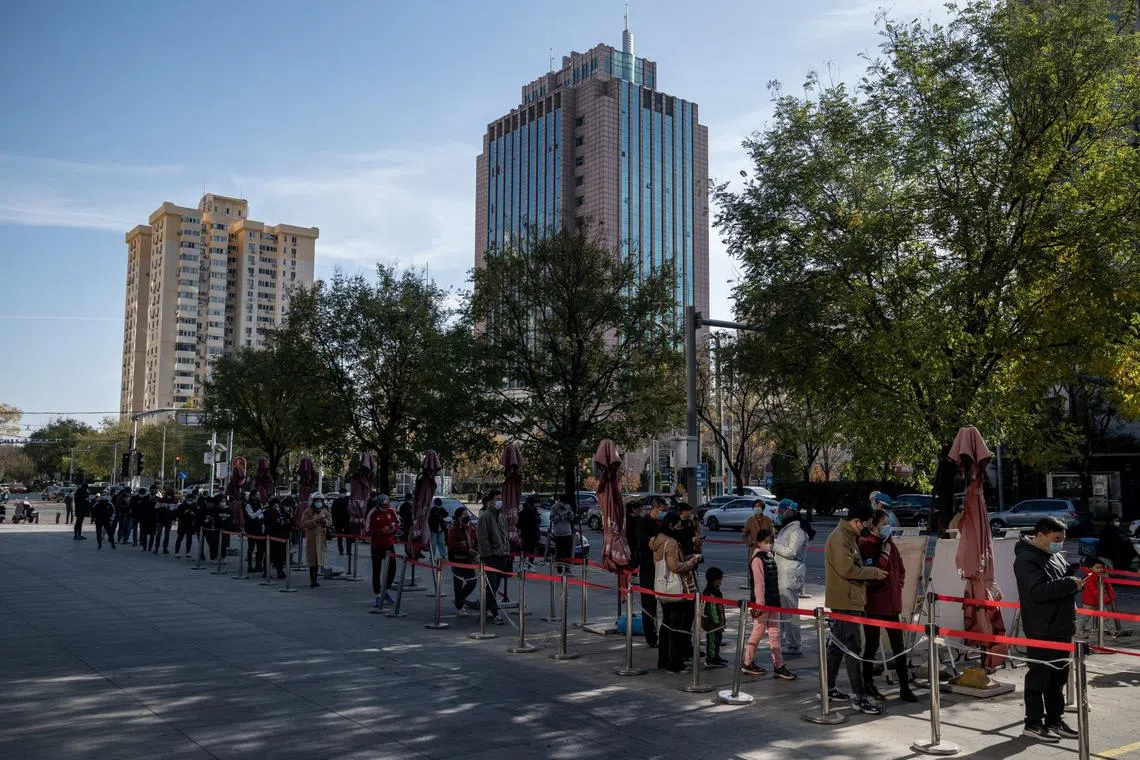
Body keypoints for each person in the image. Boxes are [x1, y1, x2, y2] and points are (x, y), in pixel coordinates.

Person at [1014, 516, 1083, 742]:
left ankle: (1054, 719)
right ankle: (1033, 723)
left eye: (1062, 539)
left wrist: (1076, 577)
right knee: (1039, 677)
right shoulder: (1026, 559)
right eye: (1056, 539)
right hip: (1042, 628)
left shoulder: (1052, 556)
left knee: (1058, 677)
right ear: (1040, 535)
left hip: (1062, 626)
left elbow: (1061, 580)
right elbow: (1037, 592)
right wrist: (1069, 584)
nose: (1059, 543)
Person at [823, 501, 888, 715]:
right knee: (853, 649)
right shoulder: (840, 538)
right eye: (866, 523)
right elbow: (848, 569)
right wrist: (872, 572)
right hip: (846, 601)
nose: (867, 527)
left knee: (838, 647)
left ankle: (827, 687)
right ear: (856, 521)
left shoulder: (848, 536)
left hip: (848, 599)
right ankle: (859, 696)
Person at [858, 509, 916, 702]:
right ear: (873, 526)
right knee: (872, 645)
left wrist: (898, 586)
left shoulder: (890, 544)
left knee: (899, 646)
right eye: (883, 524)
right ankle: (867, 684)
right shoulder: (866, 545)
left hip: (892, 604)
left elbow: (900, 568)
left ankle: (904, 687)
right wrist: (883, 552)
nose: (886, 527)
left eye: (887, 523)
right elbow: (873, 573)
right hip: (874, 604)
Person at [649, 511, 702, 673]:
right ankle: (675, 663)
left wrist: (686, 557)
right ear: (671, 526)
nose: (681, 529)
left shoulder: (657, 541)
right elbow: (675, 566)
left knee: (666, 624)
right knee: (676, 626)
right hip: (675, 589)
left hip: (662, 586)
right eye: (678, 526)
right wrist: (691, 563)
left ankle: (663, 660)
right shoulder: (670, 542)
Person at [741, 529, 797, 680]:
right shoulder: (758, 559)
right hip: (762, 604)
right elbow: (759, 584)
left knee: (775, 635)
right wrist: (759, 604)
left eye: (771, 541)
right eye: (766, 541)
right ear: (759, 542)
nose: (769, 544)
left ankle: (779, 666)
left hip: (773, 602)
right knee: (757, 633)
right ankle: (747, 662)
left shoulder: (769, 556)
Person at [773, 503, 811, 657]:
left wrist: (772, 545)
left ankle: (795, 643)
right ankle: (787, 641)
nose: (779, 514)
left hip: (790, 575)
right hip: (783, 574)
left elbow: (792, 551)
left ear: (789, 511)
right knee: (785, 611)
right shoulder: (788, 528)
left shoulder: (797, 530)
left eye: (782, 511)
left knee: (791, 612)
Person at [636, 497, 666, 648]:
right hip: (648, 565)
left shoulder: (662, 523)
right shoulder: (644, 523)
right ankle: (651, 636)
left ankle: (664, 635)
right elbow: (645, 544)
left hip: (662, 566)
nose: (663, 513)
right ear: (654, 508)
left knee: (666, 601)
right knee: (649, 602)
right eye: (661, 510)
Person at [476, 490, 508, 625]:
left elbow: (504, 535)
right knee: (490, 585)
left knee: (494, 586)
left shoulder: (501, 517)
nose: (500, 501)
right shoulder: (485, 517)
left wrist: (506, 551)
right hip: (490, 557)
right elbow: (482, 538)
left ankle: (487, 607)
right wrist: (487, 554)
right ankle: (494, 612)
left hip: (502, 555)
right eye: (497, 499)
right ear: (490, 501)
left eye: (501, 498)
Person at [366, 494, 399, 607]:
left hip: (389, 544)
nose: (385, 507)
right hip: (376, 545)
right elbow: (368, 530)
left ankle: (387, 590)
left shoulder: (391, 511)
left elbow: (398, 523)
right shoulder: (372, 513)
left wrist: (393, 529)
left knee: (392, 568)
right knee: (377, 570)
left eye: (387, 505)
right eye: (383, 506)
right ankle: (378, 594)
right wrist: (381, 531)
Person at [448, 507, 479, 615]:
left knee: (472, 582)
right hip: (458, 560)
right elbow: (452, 545)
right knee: (458, 583)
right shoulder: (454, 529)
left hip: (468, 560)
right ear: (459, 517)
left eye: (467, 514)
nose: (467, 516)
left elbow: (474, 541)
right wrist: (466, 550)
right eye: (464, 514)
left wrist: (475, 550)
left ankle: (459, 600)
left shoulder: (469, 528)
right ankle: (459, 607)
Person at [299, 493, 333, 588]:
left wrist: (324, 522)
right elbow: (303, 523)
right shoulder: (307, 512)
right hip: (312, 539)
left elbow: (330, 521)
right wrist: (315, 521)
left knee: (318, 560)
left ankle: (316, 579)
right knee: (312, 559)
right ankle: (312, 580)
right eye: (317, 501)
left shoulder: (324, 511)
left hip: (321, 538)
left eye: (320, 501)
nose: (319, 503)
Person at [1079, 558, 1114, 644]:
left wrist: (1110, 597)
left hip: (1099, 602)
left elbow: (1108, 587)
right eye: (1097, 568)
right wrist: (1105, 598)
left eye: (1101, 568)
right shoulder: (1090, 577)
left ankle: (1110, 630)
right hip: (1090, 602)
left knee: (1106, 616)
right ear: (1091, 568)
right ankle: (1079, 631)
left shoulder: (1102, 576)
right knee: (1084, 617)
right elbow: (1093, 590)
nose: (1100, 570)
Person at [701, 567, 727, 668]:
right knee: (712, 641)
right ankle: (711, 658)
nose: (721, 582)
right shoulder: (710, 592)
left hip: (717, 624)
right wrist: (717, 622)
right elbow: (712, 608)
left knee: (718, 640)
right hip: (712, 624)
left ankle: (716, 656)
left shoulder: (716, 591)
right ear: (714, 580)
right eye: (719, 580)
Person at [263, 496, 288, 578]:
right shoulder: (268, 512)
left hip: (280, 536)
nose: (276, 506)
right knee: (269, 555)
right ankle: (266, 571)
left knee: (280, 555)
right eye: (275, 504)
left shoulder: (281, 511)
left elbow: (285, 520)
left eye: (277, 504)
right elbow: (268, 523)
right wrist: (276, 523)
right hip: (271, 536)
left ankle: (280, 571)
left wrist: (284, 523)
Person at [549, 494, 574, 570]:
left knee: (568, 552)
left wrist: (569, 513)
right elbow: (552, 519)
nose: (564, 504)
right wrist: (561, 514)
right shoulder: (554, 507)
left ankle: (567, 569)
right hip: (559, 534)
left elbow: (572, 518)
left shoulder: (568, 506)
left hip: (567, 533)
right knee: (559, 553)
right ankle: (559, 569)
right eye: (563, 502)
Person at [242, 493, 265, 572]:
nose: (258, 496)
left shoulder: (260, 504)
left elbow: (262, 516)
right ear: (252, 496)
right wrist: (260, 511)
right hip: (251, 529)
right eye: (257, 494)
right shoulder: (248, 505)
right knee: (251, 548)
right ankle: (250, 565)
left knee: (260, 548)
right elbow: (252, 516)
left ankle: (258, 564)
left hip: (259, 529)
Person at [518, 496, 541, 567]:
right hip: (527, 533)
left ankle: (528, 565)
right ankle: (525, 565)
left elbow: (538, 521)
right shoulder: (526, 511)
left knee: (529, 550)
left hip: (530, 533)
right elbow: (520, 523)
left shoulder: (533, 510)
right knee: (526, 550)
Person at [175, 492, 197, 559]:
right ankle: (177, 552)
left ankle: (188, 552)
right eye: (190, 499)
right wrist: (184, 513)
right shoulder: (182, 506)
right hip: (182, 523)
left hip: (190, 524)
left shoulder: (194, 506)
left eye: (192, 499)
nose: (191, 500)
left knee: (189, 539)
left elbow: (197, 514)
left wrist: (194, 514)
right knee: (180, 538)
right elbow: (177, 514)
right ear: (186, 499)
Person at [427, 497, 449, 563]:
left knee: (441, 542)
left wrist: (440, 513)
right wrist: (438, 515)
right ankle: (432, 557)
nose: (439, 506)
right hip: (433, 529)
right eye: (438, 504)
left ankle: (444, 555)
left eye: (440, 504)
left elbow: (446, 514)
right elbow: (430, 519)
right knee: (433, 544)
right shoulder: (432, 510)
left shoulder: (442, 509)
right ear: (435, 504)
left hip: (440, 529)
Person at [331, 487, 351, 558]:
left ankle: (348, 551)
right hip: (338, 522)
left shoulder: (348, 500)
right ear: (340, 494)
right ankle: (341, 550)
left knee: (348, 537)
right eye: (341, 493)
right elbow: (333, 512)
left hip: (346, 522)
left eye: (344, 493)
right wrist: (334, 521)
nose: (342, 494)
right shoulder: (336, 501)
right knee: (340, 537)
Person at [138, 486, 158, 552]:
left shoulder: (158, 499)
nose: (154, 491)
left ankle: (150, 547)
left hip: (153, 519)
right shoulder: (144, 498)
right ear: (150, 490)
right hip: (145, 519)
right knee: (144, 534)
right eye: (152, 490)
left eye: (155, 490)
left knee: (152, 534)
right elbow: (140, 508)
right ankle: (144, 547)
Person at [625, 501, 643, 569]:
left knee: (635, 556)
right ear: (633, 509)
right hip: (632, 540)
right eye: (639, 510)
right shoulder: (632, 518)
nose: (640, 512)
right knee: (633, 556)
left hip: (634, 540)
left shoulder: (636, 517)